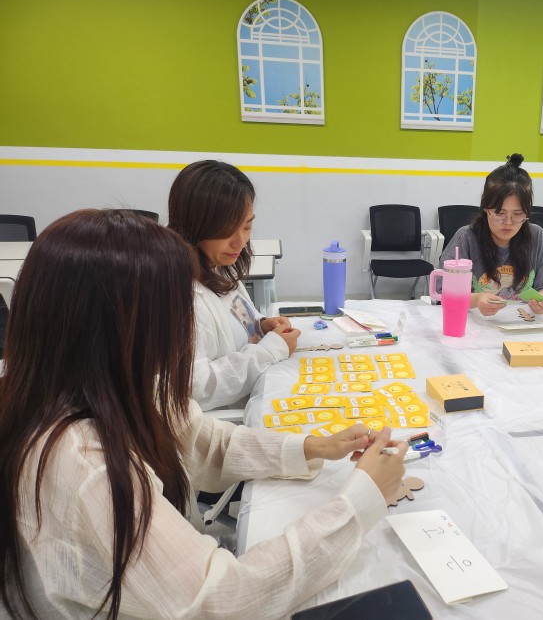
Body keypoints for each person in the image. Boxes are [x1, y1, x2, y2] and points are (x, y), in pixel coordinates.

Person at [0, 209, 407, 619]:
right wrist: (359, 502)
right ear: (118, 326)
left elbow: (203, 441)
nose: (183, 326)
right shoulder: (85, 465)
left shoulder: (117, 382)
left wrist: (314, 446)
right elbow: (222, 601)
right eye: (175, 310)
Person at [168, 160, 300, 411]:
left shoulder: (216, 265)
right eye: (227, 230)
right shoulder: (179, 296)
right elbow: (194, 388)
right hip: (224, 420)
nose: (240, 241)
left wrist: (260, 325)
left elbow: (235, 316)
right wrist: (271, 350)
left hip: (254, 393)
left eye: (247, 226)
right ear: (195, 226)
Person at [439, 153, 543, 316]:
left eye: (518, 214)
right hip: (474, 322)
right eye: (500, 213)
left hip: (520, 322)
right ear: (486, 208)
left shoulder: (537, 237)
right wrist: (477, 299)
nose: (508, 222)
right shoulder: (466, 238)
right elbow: (443, 292)